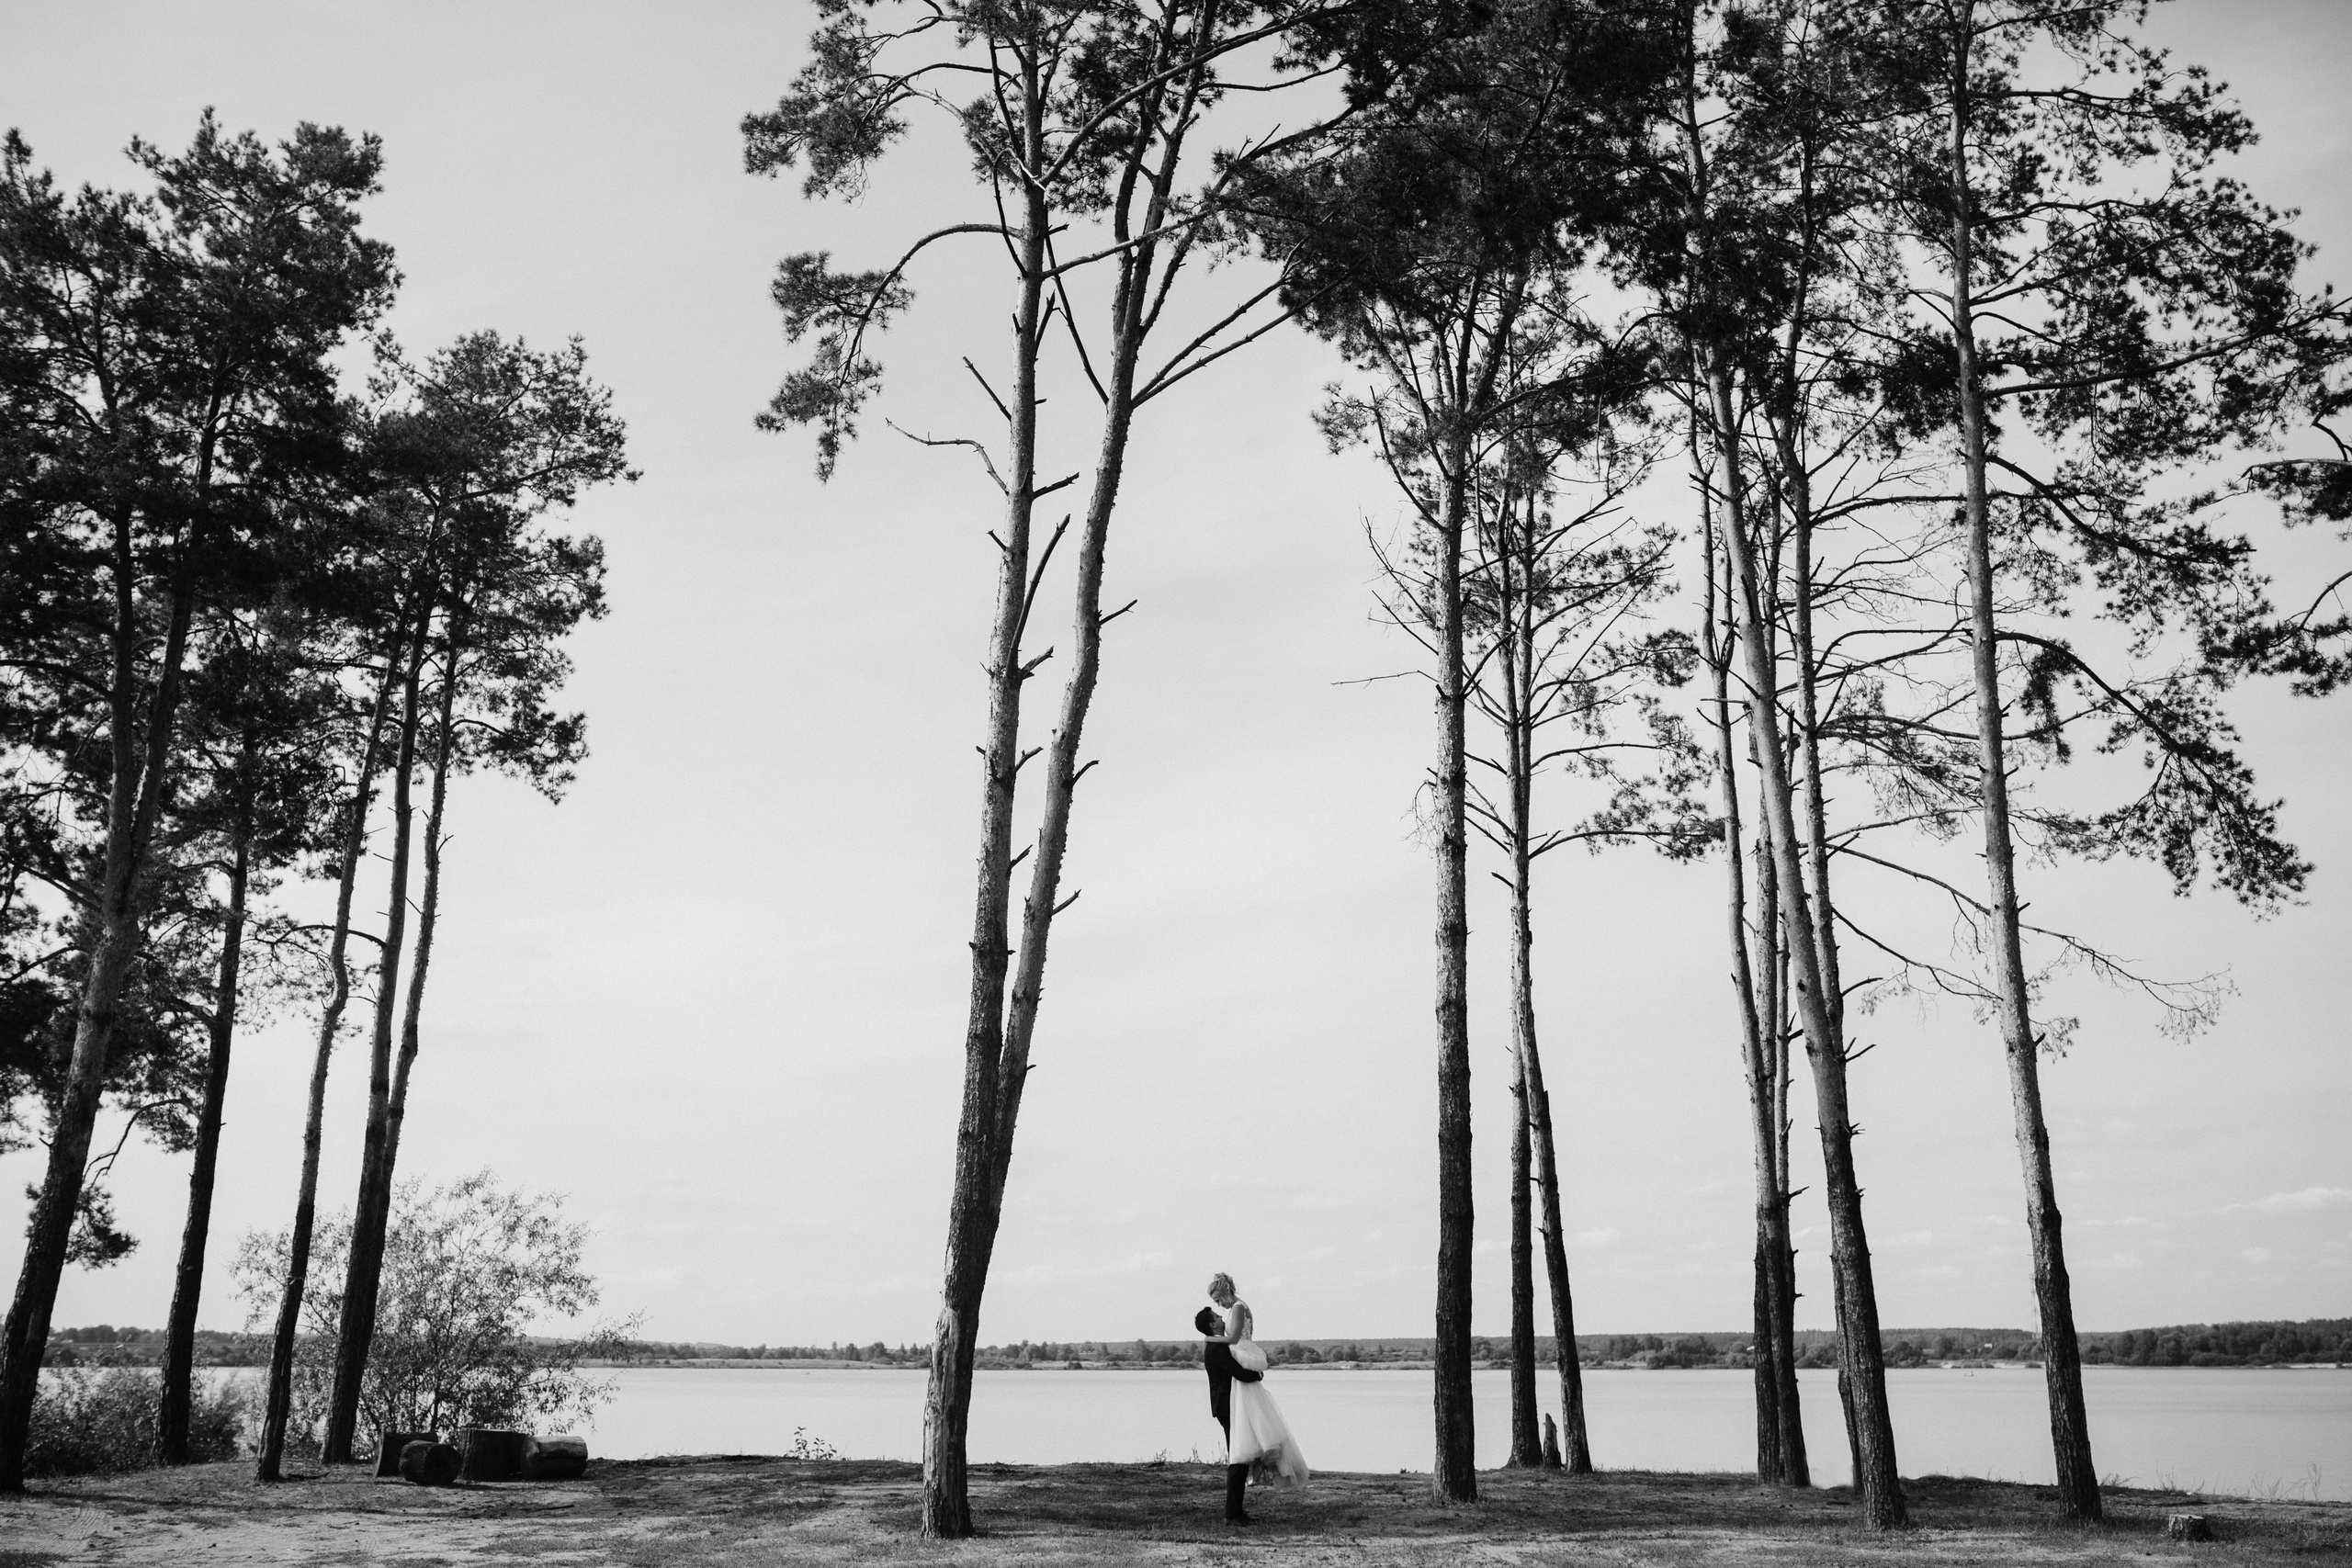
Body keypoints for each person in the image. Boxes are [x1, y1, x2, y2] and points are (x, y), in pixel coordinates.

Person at [1204, 1273, 1309, 1500]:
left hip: (1243, 1356)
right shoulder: (1234, 1310)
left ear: (1225, 1292)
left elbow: (1233, 1339)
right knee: (1251, 1423)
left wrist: (1211, 1339)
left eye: (1218, 1299)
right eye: (1216, 1303)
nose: (1218, 1305)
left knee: (1254, 1422)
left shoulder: (1239, 1307)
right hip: (1241, 1361)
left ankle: (1257, 1465)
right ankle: (1257, 1464)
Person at [1196, 1305, 1261, 1523]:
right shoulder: (1216, 1349)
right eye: (1216, 1316)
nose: (1221, 1316)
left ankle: (1235, 1511)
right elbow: (1238, 1372)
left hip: (1228, 1406)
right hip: (1226, 1407)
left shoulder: (1219, 1346)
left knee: (1240, 1457)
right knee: (1238, 1458)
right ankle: (1232, 1513)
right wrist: (1258, 1374)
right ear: (1212, 1324)